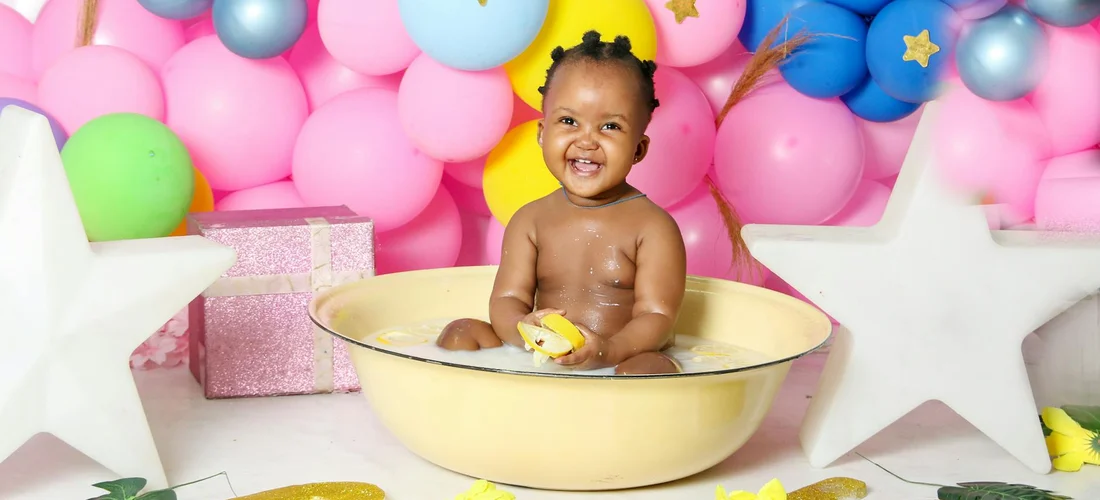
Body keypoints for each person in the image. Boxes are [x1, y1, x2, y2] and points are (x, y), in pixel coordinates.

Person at [436, 25, 808, 375]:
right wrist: (523, 329)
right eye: (569, 121)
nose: (587, 140)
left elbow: (657, 318)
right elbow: (506, 300)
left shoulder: (652, 228)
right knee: (460, 333)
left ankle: (627, 401)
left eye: (610, 126)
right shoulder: (530, 221)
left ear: (638, 149)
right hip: (544, 358)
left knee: (645, 369)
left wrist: (608, 351)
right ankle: (478, 402)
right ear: (542, 133)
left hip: (621, 357)